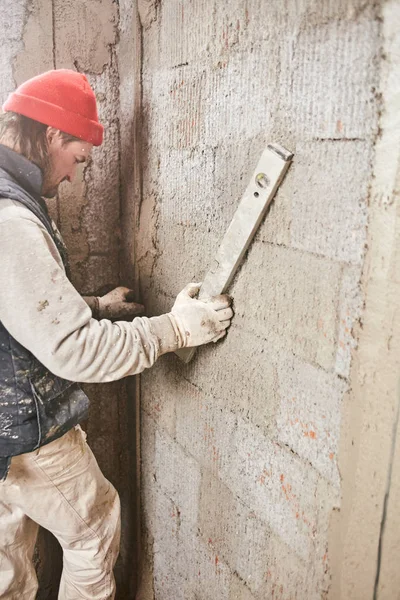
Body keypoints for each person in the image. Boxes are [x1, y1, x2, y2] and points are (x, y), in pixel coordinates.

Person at [0, 69, 233, 599]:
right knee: (94, 528)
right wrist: (173, 329)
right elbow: (74, 351)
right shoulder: (10, 217)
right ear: (53, 135)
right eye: (78, 159)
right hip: (23, 428)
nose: (72, 179)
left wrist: (89, 306)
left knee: (7, 560)